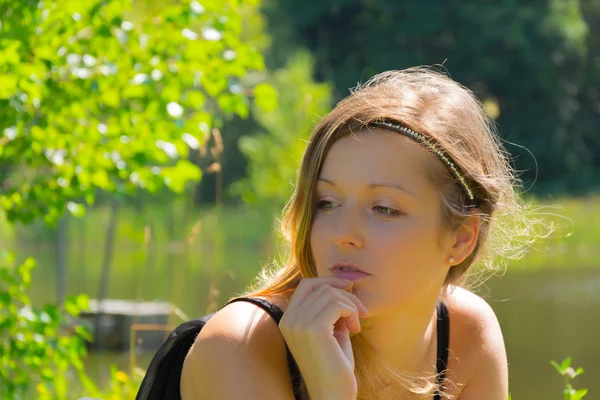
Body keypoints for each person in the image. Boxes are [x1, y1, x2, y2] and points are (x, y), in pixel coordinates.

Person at [180, 67, 542, 399]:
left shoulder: (466, 334)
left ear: (461, 238)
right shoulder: (239, 345)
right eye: (327, 202)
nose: (343, 234)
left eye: (384, 209)